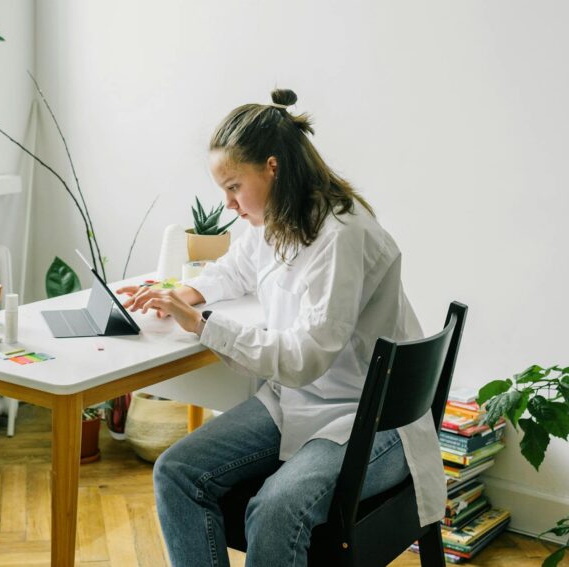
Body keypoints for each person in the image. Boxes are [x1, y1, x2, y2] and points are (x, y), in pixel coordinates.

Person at [116, 88, 445, 567]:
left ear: (272, 167)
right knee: (177, 471)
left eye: (233, 186)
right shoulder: (276, 218)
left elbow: (304, 358)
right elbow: (237, 268)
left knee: (274, 508)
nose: (228, 203)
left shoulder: (342, 236)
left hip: (370, 420)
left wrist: (204, 325)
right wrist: (187, 296)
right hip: (300, 401)